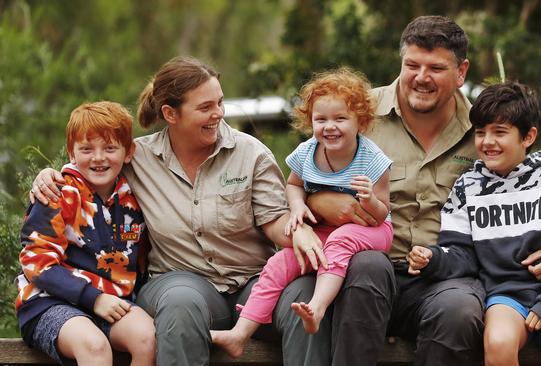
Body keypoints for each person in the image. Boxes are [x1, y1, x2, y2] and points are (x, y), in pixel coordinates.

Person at [29, 56, 329, 366]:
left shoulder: (251, 153)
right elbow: (94, 164)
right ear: (171, 114)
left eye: (220, 103)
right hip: (178, 283)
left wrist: (300, 231)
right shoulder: (139, 158)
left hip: (253, 286)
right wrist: (51, 175)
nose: (218, 115)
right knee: (180, 302)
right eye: (205, 108)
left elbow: (275, 220)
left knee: (303, 296)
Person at [306, 15, 541, 365]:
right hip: (368, 271)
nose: (421, 78)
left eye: (436, 68)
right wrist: (319, 199)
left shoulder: (484, 131)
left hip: (447, 275)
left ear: (461, 72)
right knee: (367, 267)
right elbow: (303, 177)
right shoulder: (355, 113)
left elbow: (535, 188)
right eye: (412, 64)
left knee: (459, 309)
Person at [408, 82, 541, 366]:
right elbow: (462, 256)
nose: (488, 142)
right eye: (480, 133)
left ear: (528, 136)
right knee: (498, 342)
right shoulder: (468, 187)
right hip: (506, 297)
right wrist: (433, 259)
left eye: (500, 132)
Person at [211, 68, 393, 357]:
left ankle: (317, 307)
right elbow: (293, 185)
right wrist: (297, 207)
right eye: (321, 119)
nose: (329, 127)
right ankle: (240, 333)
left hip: (371, 231)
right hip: (324, 231)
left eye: (340, 119)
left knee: (340, 241)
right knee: (279, 262)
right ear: (310, 120)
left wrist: (370, 199)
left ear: (361, 120)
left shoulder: (372, 159)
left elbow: (382, 214)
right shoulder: (307, 152)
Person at [15, 101, 156, 366]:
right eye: (86, 149)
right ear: (71, 153)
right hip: (50, 303)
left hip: (112, 302)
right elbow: (36, 262)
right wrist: (94, 298)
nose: (99, 157)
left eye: (110, 148)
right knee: (94, 347)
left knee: (147, 338)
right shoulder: (56, 194)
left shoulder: (136, 198)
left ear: (129, 152)